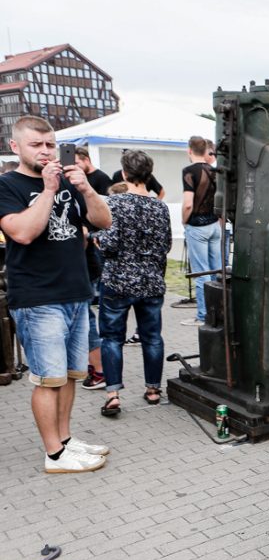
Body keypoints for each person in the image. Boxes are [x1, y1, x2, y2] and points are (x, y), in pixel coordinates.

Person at [0, 115, 112, 473]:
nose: (46, 151)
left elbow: (103, 222)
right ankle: (54, 455)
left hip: (76, 292)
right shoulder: (7, 185)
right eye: (36, 145)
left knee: (70, 375)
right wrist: (48, 191)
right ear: (15, 146)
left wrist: (87, 189)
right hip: (37, 298)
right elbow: (22, 233)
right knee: (48, 379)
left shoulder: (68, 181)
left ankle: (65, 440)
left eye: (50, 144)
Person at [97, 150, 172, 416]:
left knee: (111, 338)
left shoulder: (114, 203)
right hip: (151, 281)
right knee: (152, 337)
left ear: (124, 173)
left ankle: (113, 394)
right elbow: (166, 245)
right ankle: (153, 390)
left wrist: (96, 239)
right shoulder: (160, 207)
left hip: (118, 280)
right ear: (148, 175)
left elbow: (109, 243)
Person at [76, 146, 113, 391]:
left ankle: (100, 370)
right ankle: (98, 367)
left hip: (88, 259)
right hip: (85, 261)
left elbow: (105, 219)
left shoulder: (96, 181)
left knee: (87, 316)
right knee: (87, 315)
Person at [180, 135, 220, 327]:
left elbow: (188, 204)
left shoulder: (189, 171)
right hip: (214, 225)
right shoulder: (214, 170)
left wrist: (183, 221)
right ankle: (218, 313)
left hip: (197, 226)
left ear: (189, 150)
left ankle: (203, 316)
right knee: (216, 272)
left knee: (201, 273)